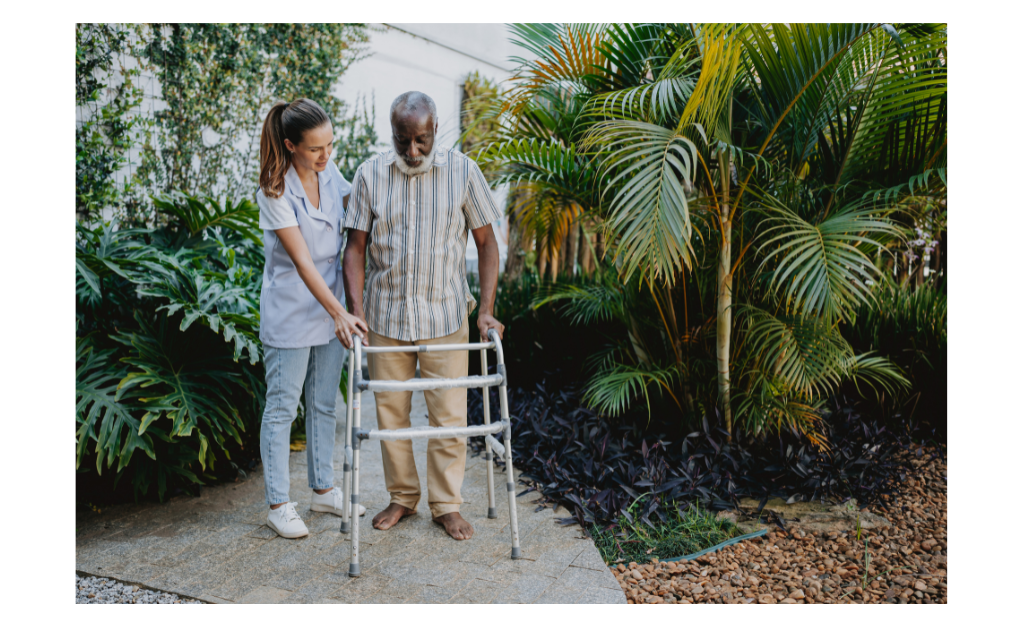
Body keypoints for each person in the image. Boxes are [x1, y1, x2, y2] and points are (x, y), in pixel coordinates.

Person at [342, 91, 505, 541]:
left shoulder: (464, 172)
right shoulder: (370, 174)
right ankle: (402, 497)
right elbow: (354, 248)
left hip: (445, 312)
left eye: (422, 140)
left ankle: (446, 505)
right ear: (391, 133)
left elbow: (487, 243)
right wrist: (356, 313)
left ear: (436, 130)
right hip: (386, 316)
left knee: (448, 416)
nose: (412, 151)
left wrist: (487, 311)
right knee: (390, 415)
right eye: (403, 140)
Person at [256, 98, 370, 539]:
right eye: (315, 149)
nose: (326, 155)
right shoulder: (274, 189)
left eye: (331, 145)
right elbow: (302, 261)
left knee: (325, 402)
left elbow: (359, 209)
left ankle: (323, 491)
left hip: (331, 308)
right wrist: (341, 312)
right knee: (283, 408)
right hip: (292, 309)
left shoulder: (330, 173)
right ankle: (279, 504)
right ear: (290, 145)